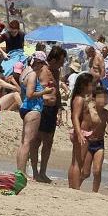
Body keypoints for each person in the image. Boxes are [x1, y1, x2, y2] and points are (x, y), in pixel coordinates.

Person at [78, 84, 108, 192]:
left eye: (106, 98)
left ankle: (95, 192)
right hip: (88, 143)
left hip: (99, 144)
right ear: (94, 98)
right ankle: (76, 187)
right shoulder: (89, 111)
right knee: (85, 173)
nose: (104, 100)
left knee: (97, 171)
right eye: (101, 97)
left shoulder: (107, 114)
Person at [34, 45, 67, 182]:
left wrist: (59, 109)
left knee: (48, 142)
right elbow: (31, 86)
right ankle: (35, 172)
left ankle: (43, 172)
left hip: (52, 109)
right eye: (60, 61)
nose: (62, 64)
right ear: (53, 59)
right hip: (43, 107)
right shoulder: (42, 70)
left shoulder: (57, 72)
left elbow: (57, 91)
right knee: (37, 141)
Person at [67, 72, 95, 189]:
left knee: (78, 161)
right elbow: (75, 117)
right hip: (81, 132)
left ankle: (74, 186)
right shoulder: (79, 99)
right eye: (91, 84)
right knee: (78, 162)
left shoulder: (83, 98)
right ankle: (74, 186)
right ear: (85, 85)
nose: (93, 87)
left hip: (84, 132)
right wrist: (79, 133)